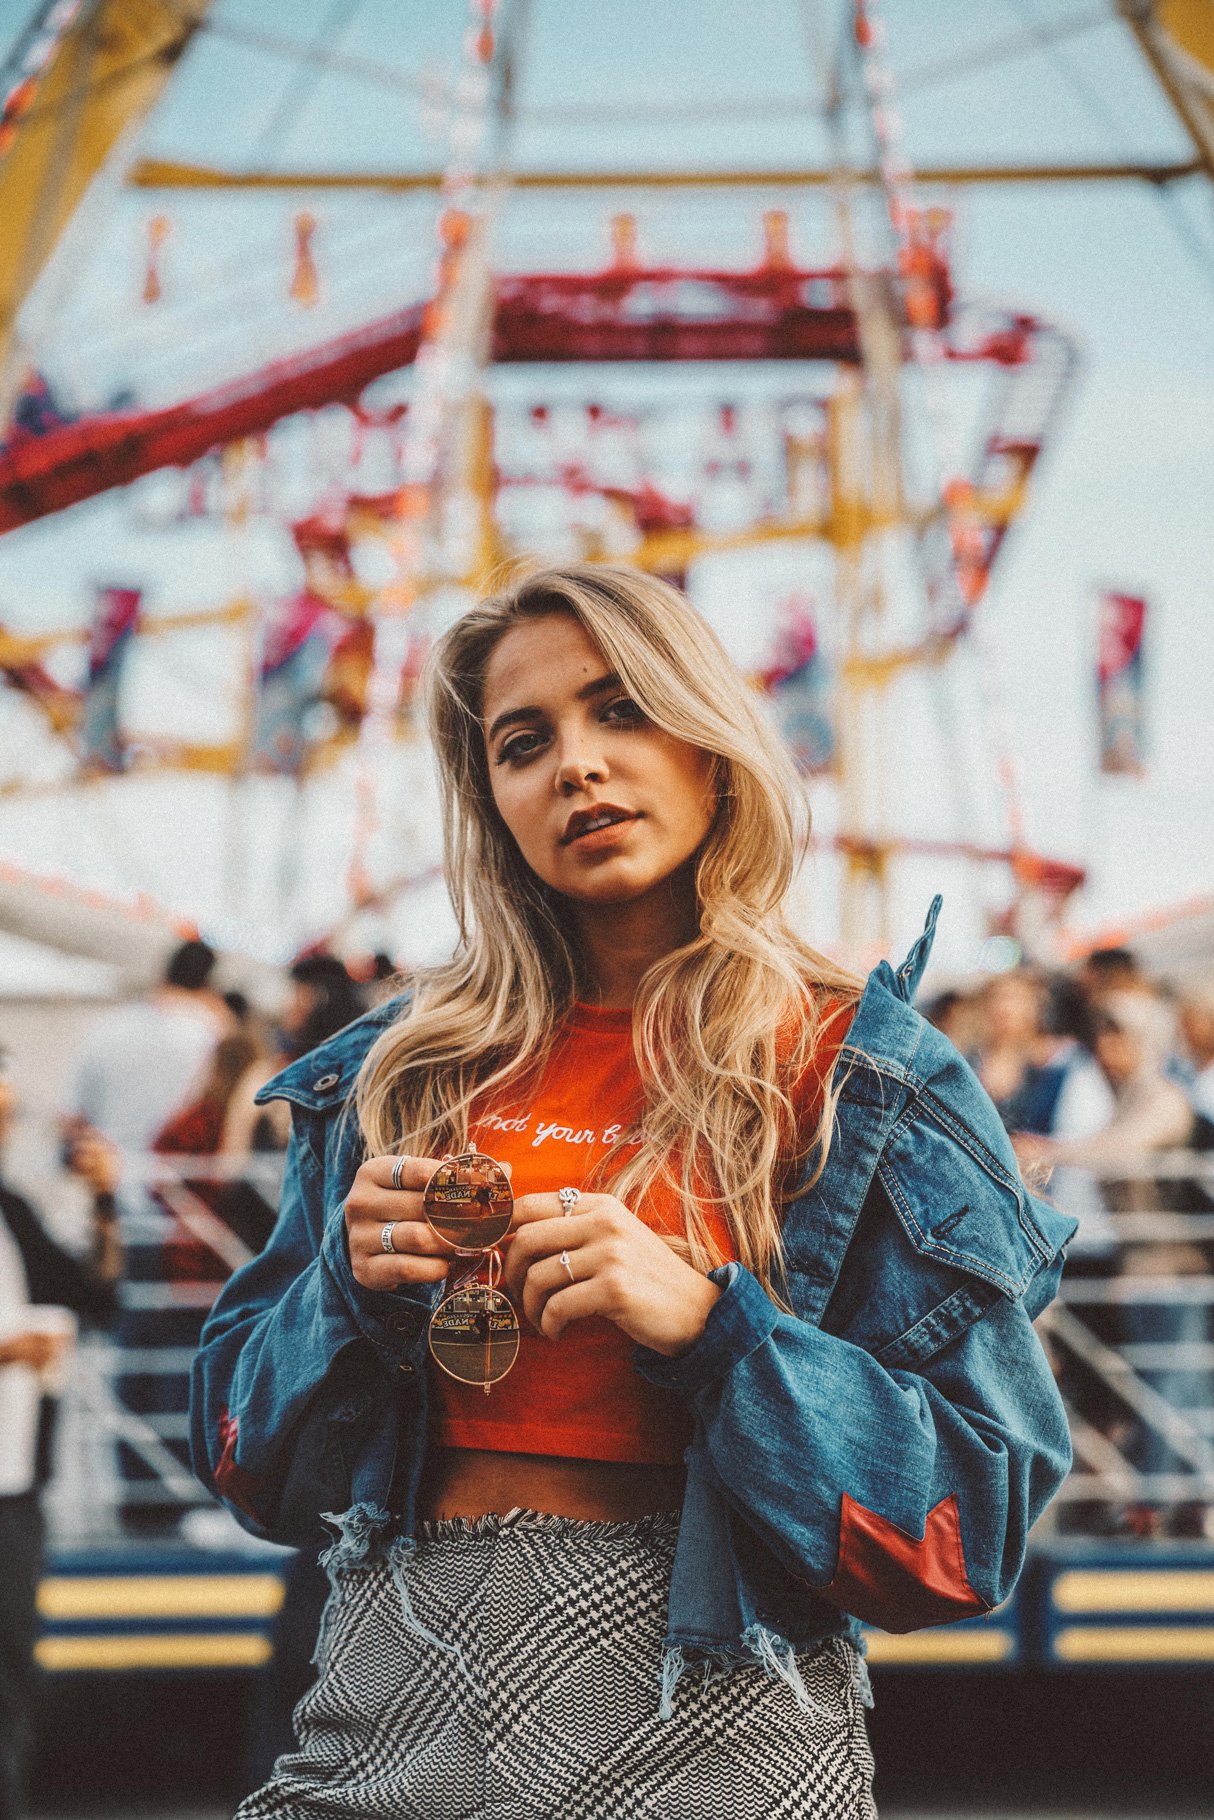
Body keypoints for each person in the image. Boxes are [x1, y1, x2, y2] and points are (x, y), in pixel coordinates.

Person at [192, 564, 1075, 1820]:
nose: (576, 764)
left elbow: (966, 1524)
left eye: (621, 710)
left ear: (712, 745)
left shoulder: (857, 1072)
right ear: (490, 799)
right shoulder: (397, 1070)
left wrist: (715, 1329)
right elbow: (247, 1465)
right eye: (523, 740)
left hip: (711, 1723)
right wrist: (341, 1293)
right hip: (388, 1695)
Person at [0, 1059, 121, 1820]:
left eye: (7, 1113)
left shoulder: (9, 1209)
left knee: (12, 1673)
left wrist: (105, 1198)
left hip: (14, 1486)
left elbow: (95, 1296)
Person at [66, 938, 230, 1158]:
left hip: (103, 1170)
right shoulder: (211, 1038)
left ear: (164, 973)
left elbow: (71, 1116)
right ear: (209, 987)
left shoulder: (108, 1026)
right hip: (169, 1180)